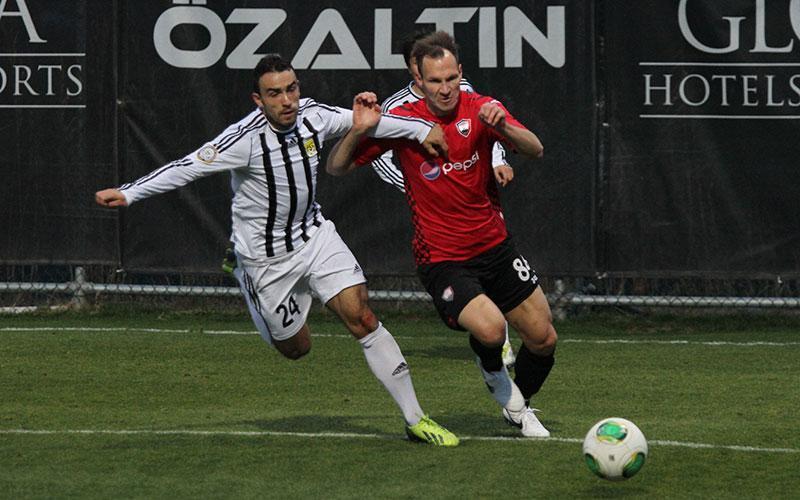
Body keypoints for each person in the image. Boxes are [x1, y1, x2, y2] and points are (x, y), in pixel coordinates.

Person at [94, 54, 458, 446]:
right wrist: (129, 193)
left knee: (362, 316)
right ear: (258, 100)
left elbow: (366, 122)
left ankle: (415, 419)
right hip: (265, 260)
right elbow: (187, 167)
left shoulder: (313, 116)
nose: (286, 100)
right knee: (297, 349)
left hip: (314, 237)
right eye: (274, 94)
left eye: (291, 89)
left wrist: (420, 129)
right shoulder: (243, 139)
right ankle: (242, 273)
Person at [326, 32, 557, 438]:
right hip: (443, 257)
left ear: (460, 73)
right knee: (491, 330)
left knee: (544, 338)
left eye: (452, 78)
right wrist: (358, 131)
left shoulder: (481, 108)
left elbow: (535, 148)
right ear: (419, 79)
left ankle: (517, 403)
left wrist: (504, 125)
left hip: (496, 246)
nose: (446, 88)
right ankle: (503, 386)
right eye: (435, 81)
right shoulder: (402, 121)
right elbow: (337, 167)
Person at [371, 30, 517, 369]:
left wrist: (498, 161)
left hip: (478, 198)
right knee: (460, 274)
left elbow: (487, 127)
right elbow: (380, 159)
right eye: (417, 64)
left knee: (495, 262)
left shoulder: (462, 91)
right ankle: (486, 333)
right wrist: (413, 184)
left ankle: (503, 342)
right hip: (436, 210)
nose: (443, 83)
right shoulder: (396, 108)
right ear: (414, 70)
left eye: (448, 75)